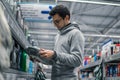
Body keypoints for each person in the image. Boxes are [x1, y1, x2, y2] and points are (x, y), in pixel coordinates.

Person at [39, 5, 85, 80]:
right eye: (53, 22)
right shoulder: (58, 36)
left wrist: (55, 54)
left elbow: (77, 60)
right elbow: (56, 60)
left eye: (57, 21)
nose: (55, 25)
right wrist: (42, 58)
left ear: (67, 18)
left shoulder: (76, 34)